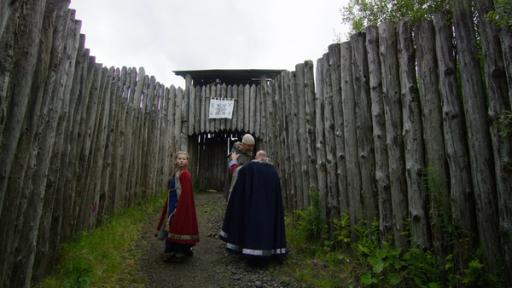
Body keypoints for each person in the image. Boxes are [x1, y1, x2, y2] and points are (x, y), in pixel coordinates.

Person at [220, 150, 287, 262]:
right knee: (267, 226)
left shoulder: (249, 168)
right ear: (265, 157)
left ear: (257, 157)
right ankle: (269, 250)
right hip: (269, 210)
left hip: (252, 209)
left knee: (252, 226)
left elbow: (236, 172)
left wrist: (233, 161)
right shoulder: (273, 172)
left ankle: (250, 250)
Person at [156, 151, 199, 262]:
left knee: (177, 224)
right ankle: (173, 250)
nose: (181, 160)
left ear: (187, 161)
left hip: (180, 205)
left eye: (184, 159)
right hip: (173, 203)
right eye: (179, 158)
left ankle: (180, 251)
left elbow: (185, 193)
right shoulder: (177, 173)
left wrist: (179, 207)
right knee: (171, 225)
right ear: (176, 160)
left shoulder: (185, 174)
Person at [226, 133, 255, 199]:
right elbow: (232, 172)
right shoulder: (234, 154)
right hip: (236, 186)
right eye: (249, 146)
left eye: (252, 146)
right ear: (243, 144)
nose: (251, 148)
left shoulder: (248, 153)